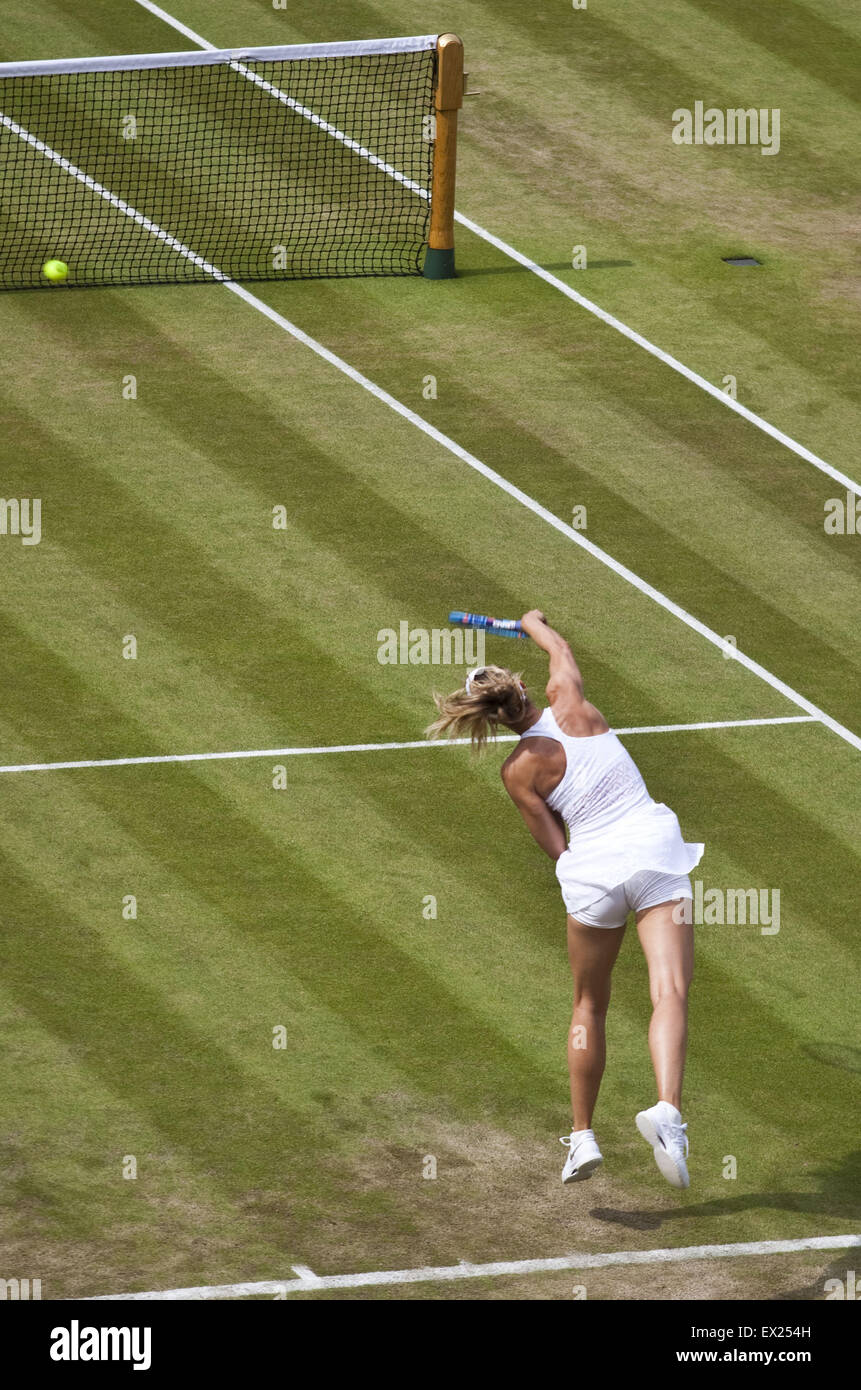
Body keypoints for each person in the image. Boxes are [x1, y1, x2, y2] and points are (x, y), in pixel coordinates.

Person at [427, 610, 703, 1187]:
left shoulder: (516, 772)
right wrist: (532, 622)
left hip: (593, 873)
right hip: (655, 851)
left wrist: (596, 877)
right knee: (669, 989)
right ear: (523, 688)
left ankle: (582, 1138)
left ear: (493, 719)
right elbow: (558, 644)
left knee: (589, 1006)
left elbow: (556, 846)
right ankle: (669, 1113)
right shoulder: (569, 699)